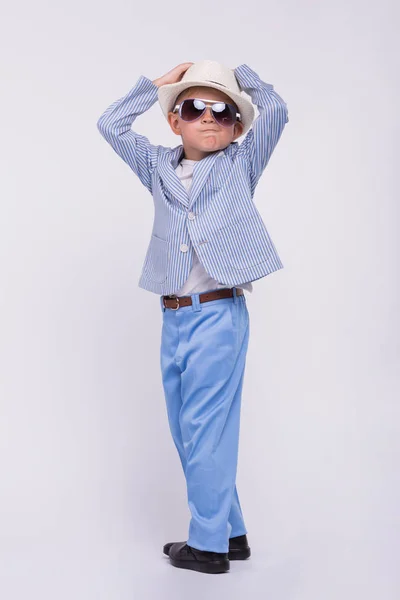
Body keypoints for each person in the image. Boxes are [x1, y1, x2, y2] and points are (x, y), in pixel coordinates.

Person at [97, 59, 289, 574]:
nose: (209, 117)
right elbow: (109, 125)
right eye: (194, 107)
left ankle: (207, 546)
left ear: (238, 126)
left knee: (203, 427)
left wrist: (238, 75)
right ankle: (231, 531)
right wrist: (157, 85)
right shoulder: (158, 166)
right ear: (174, 120)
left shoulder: (240, 164)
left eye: (223, 111)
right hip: (173, 316)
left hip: (218, 315)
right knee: (191, 430)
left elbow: (277, 109)